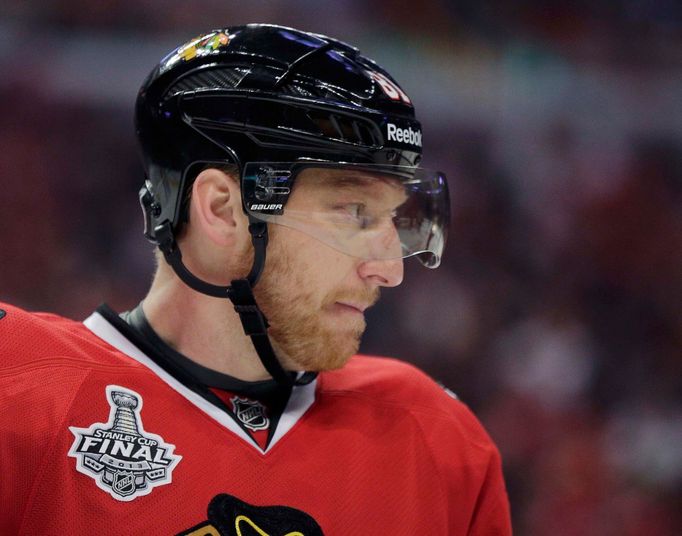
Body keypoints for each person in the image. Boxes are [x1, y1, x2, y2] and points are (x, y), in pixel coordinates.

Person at [0, 24, 511, 535]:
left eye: (391, 219)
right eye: (354, 212)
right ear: (222, 210)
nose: (391, 270)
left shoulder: (437, 441)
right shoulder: (21, 391)